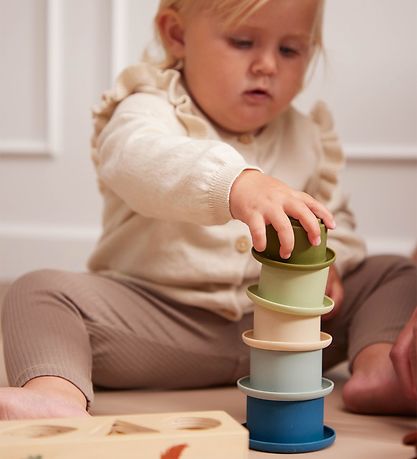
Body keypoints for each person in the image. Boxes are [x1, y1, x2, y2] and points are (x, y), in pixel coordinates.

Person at [1, 0, 416, 420]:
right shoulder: (148, 109)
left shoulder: (307, 136)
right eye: (242, 42)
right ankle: (57, 395)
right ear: (177, 35)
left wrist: (332, 264)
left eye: (290, 50)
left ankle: (382, 369)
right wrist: (235, 184)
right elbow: (136, 161)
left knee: (394, 274)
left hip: (287, 330)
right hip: (161, 324)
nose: (268, 65)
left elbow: (335, 220)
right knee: (39, 291)